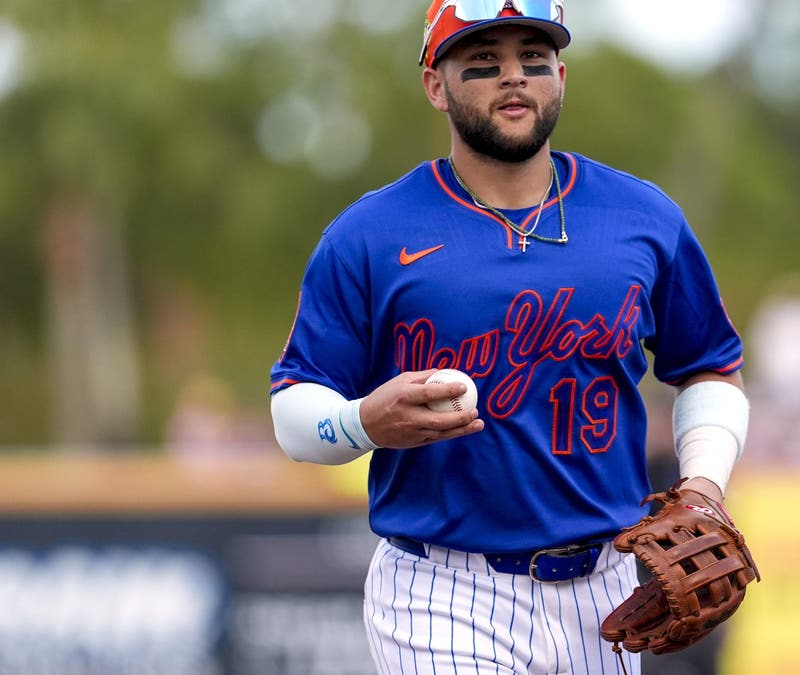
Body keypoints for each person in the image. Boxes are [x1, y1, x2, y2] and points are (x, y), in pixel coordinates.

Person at [268, 2, 749, 674]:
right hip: (442, 588)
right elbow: (294, 412)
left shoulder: (640, 216)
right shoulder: (370, 233)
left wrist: (702, 485)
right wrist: (362, 422)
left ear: (561, 77)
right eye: (484, 61)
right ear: (436, 85)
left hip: (607, 590)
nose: (514, 75)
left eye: (533, 58)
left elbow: (708, 368)